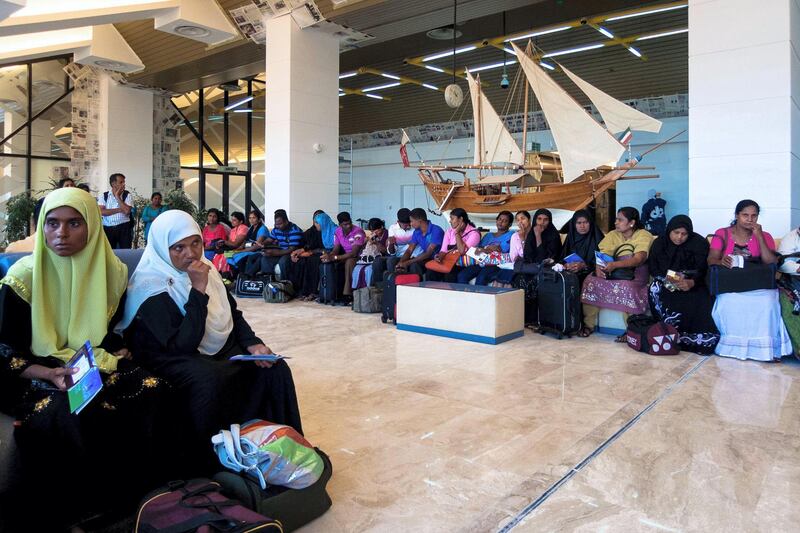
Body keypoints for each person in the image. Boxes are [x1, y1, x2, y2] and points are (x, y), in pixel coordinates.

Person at [0, 188, 166, 530]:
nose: (61, 233)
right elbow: (3, 348)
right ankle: (77, 512)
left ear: (92, 225)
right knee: (72, 410)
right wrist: (48, 373)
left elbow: (106, 330)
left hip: (92, 359)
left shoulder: (113, 272)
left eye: (74, 223)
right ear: (42, 228)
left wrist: (120, 347)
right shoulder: (22, 279)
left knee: (153, 388)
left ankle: (138, 497)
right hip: (33, 369)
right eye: (53, 223)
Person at [118, 210, 303, 474]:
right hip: (170, 354)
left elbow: (233, 313)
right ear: (162, 248)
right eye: (178, 247)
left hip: (212, 347)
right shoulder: (150, 286)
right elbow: (184, 343)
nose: (190, 253)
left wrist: (253, 344)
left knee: (274, 368)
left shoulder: (208, 270)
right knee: (210, 381)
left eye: (195, 243)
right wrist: (198, 289)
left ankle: (279, 448)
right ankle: (213, 466)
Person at [708, 200, 791, 361]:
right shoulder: (722, 233)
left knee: (768, 302)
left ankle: (764, 350)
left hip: (758, 284)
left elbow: (771, 262)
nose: (750, 219)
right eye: (745, 215)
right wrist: (721, 261)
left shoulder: (764, 235)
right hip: (731, 283)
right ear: (737, 215)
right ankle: (732, 347)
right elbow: (711, 260)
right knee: (728, 301)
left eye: (754, 216)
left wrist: (759, 236)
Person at [648, 215, 719, 354]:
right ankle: (669, 335)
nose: (679, 237)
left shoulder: (699, 243)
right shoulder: (660, 243)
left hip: (695, 282)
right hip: (666, 281)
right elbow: (654, 268)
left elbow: (705, 269)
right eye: (676, 233)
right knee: (657, 290)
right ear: (669, 230)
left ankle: (696, 341)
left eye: (684, 234)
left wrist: (692, 282)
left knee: (702, 298)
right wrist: (674, 280)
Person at [581, 207, 654, 340]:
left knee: (628, 287)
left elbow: (639, 259)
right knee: (590, 282)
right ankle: (588, 325)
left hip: (635, 274)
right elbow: (602, 255)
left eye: (620, 220)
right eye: (616, 219)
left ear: (631, 223)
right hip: (614, 273)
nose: (616, 222)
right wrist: (598, 267)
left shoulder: (643, 235)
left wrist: (615, 265)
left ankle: (631, 330)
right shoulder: (613, 234)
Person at [513, 208, 563, 325]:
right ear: (535, 220)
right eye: (539, 219)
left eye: (545, 220)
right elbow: (528, 256)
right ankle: (523, 318)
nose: (541, 223)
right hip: (533, 267)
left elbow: (545, 259)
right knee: (519, 278)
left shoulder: (553, 235)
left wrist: (538, 236)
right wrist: (533, 236)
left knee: (535, 281)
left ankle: (536, 320)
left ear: (550, 221)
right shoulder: (531, 234)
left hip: (547, 268)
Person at [285, 210, 333, 301]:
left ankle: (312, 292)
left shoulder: (329, 230)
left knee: (313, 261)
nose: (316, 222)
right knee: (295, 261)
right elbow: (301, 246)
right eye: (315, 220)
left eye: (318, 220)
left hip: (322, 254)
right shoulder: (309, 232)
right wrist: (294, 254)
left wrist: (309, 252)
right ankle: (296, 291)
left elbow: (325, 248)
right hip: (308, 255)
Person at [456, 211, 513, 285]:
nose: (501, 222)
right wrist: (487, 249)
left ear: (510, 224)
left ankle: (479, 296)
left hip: (496, 264)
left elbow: (499, 249)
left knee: (481, 278)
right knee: (462, 275)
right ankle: (466, 295)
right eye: (500, 219)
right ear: (496, 220)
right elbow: (478, 249)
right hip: (481, 262)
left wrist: (484, 249)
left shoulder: (511, 234)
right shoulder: (488, 235)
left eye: (505, 221)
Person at [320, 211, 366, 303]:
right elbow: (336, 249)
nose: (348, 226)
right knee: (325, 262)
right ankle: (328, 293)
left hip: (360, 257)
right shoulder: (338, 232)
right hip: (345, 256)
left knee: (349, 262)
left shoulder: (358, 231)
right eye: (345, 224)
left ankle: (347, 294)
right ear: (340, 224)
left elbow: (354, 253)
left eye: (349, 223)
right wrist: (329, 256)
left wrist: (335, 258)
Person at [427, 208, 481, 282]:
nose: (450, 221)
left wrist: (457, 233)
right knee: (431, 272)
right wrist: (439, 257)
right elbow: (444, 250)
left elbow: (462, 251)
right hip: (450, 260)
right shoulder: (449, 231)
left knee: (450, 274)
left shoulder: (474, 233)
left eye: (452, 219)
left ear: (461, 219)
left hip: (463, 263)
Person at [370, 208, 416, 285]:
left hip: (412, 255)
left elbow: (411, 249)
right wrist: (391, 244)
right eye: (405, 225)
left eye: (409, 223)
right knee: (377, 261)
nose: (408, 226)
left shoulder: (415, 228)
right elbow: (392, 253)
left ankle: (394, 286)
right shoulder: (393, 228)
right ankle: (379, 287)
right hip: (398, 255)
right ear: (398, 222)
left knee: (391, 261)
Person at [252, 210, 303, 278]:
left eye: (280, 224)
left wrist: (274, 253)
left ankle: (284, 283)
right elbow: (269, 240)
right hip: (281, 251)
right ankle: (268, 280)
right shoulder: (276, 229)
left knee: (283, 262)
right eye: (276, 224)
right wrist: (262, 244)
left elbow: (291, 249)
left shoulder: (294, 230)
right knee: (265, 259)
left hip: (293, 253)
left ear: (286, 221)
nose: (278, 226)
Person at [395, 208, 445, 278]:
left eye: (412, 221)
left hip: (439, 259)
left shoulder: (436, 230)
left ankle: (418, 286)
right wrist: (401, 262)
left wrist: (407, 262)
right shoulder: (417, 232)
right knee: (410, 265)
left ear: (420, 221)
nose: (411, 224)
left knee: (417, 266)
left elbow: (428, 253)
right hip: (427, 259)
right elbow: (409, 250)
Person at [98, 172, 134, 249]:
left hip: (124, 228)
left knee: (125, 252)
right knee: (109, 252)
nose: (124, 184)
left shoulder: (127, 195)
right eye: (121, 182)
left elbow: (127, 211)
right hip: (108, 229)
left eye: (124, 182)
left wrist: (117, 196)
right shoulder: (104, 195)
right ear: (113, 184)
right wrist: (120, 209)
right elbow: (101, 212)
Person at [352, 218, 388, 289]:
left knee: (369, 269)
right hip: (370, 258)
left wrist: (376, 243)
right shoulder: (372, 236)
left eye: (376, 230)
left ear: (381, 227)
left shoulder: (387, 234)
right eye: (372, 231)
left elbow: (386, 251)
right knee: (357, 268)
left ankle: (372, 288)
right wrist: (364, 243)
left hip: (382, 257)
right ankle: (357, 289)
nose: (374, 233)